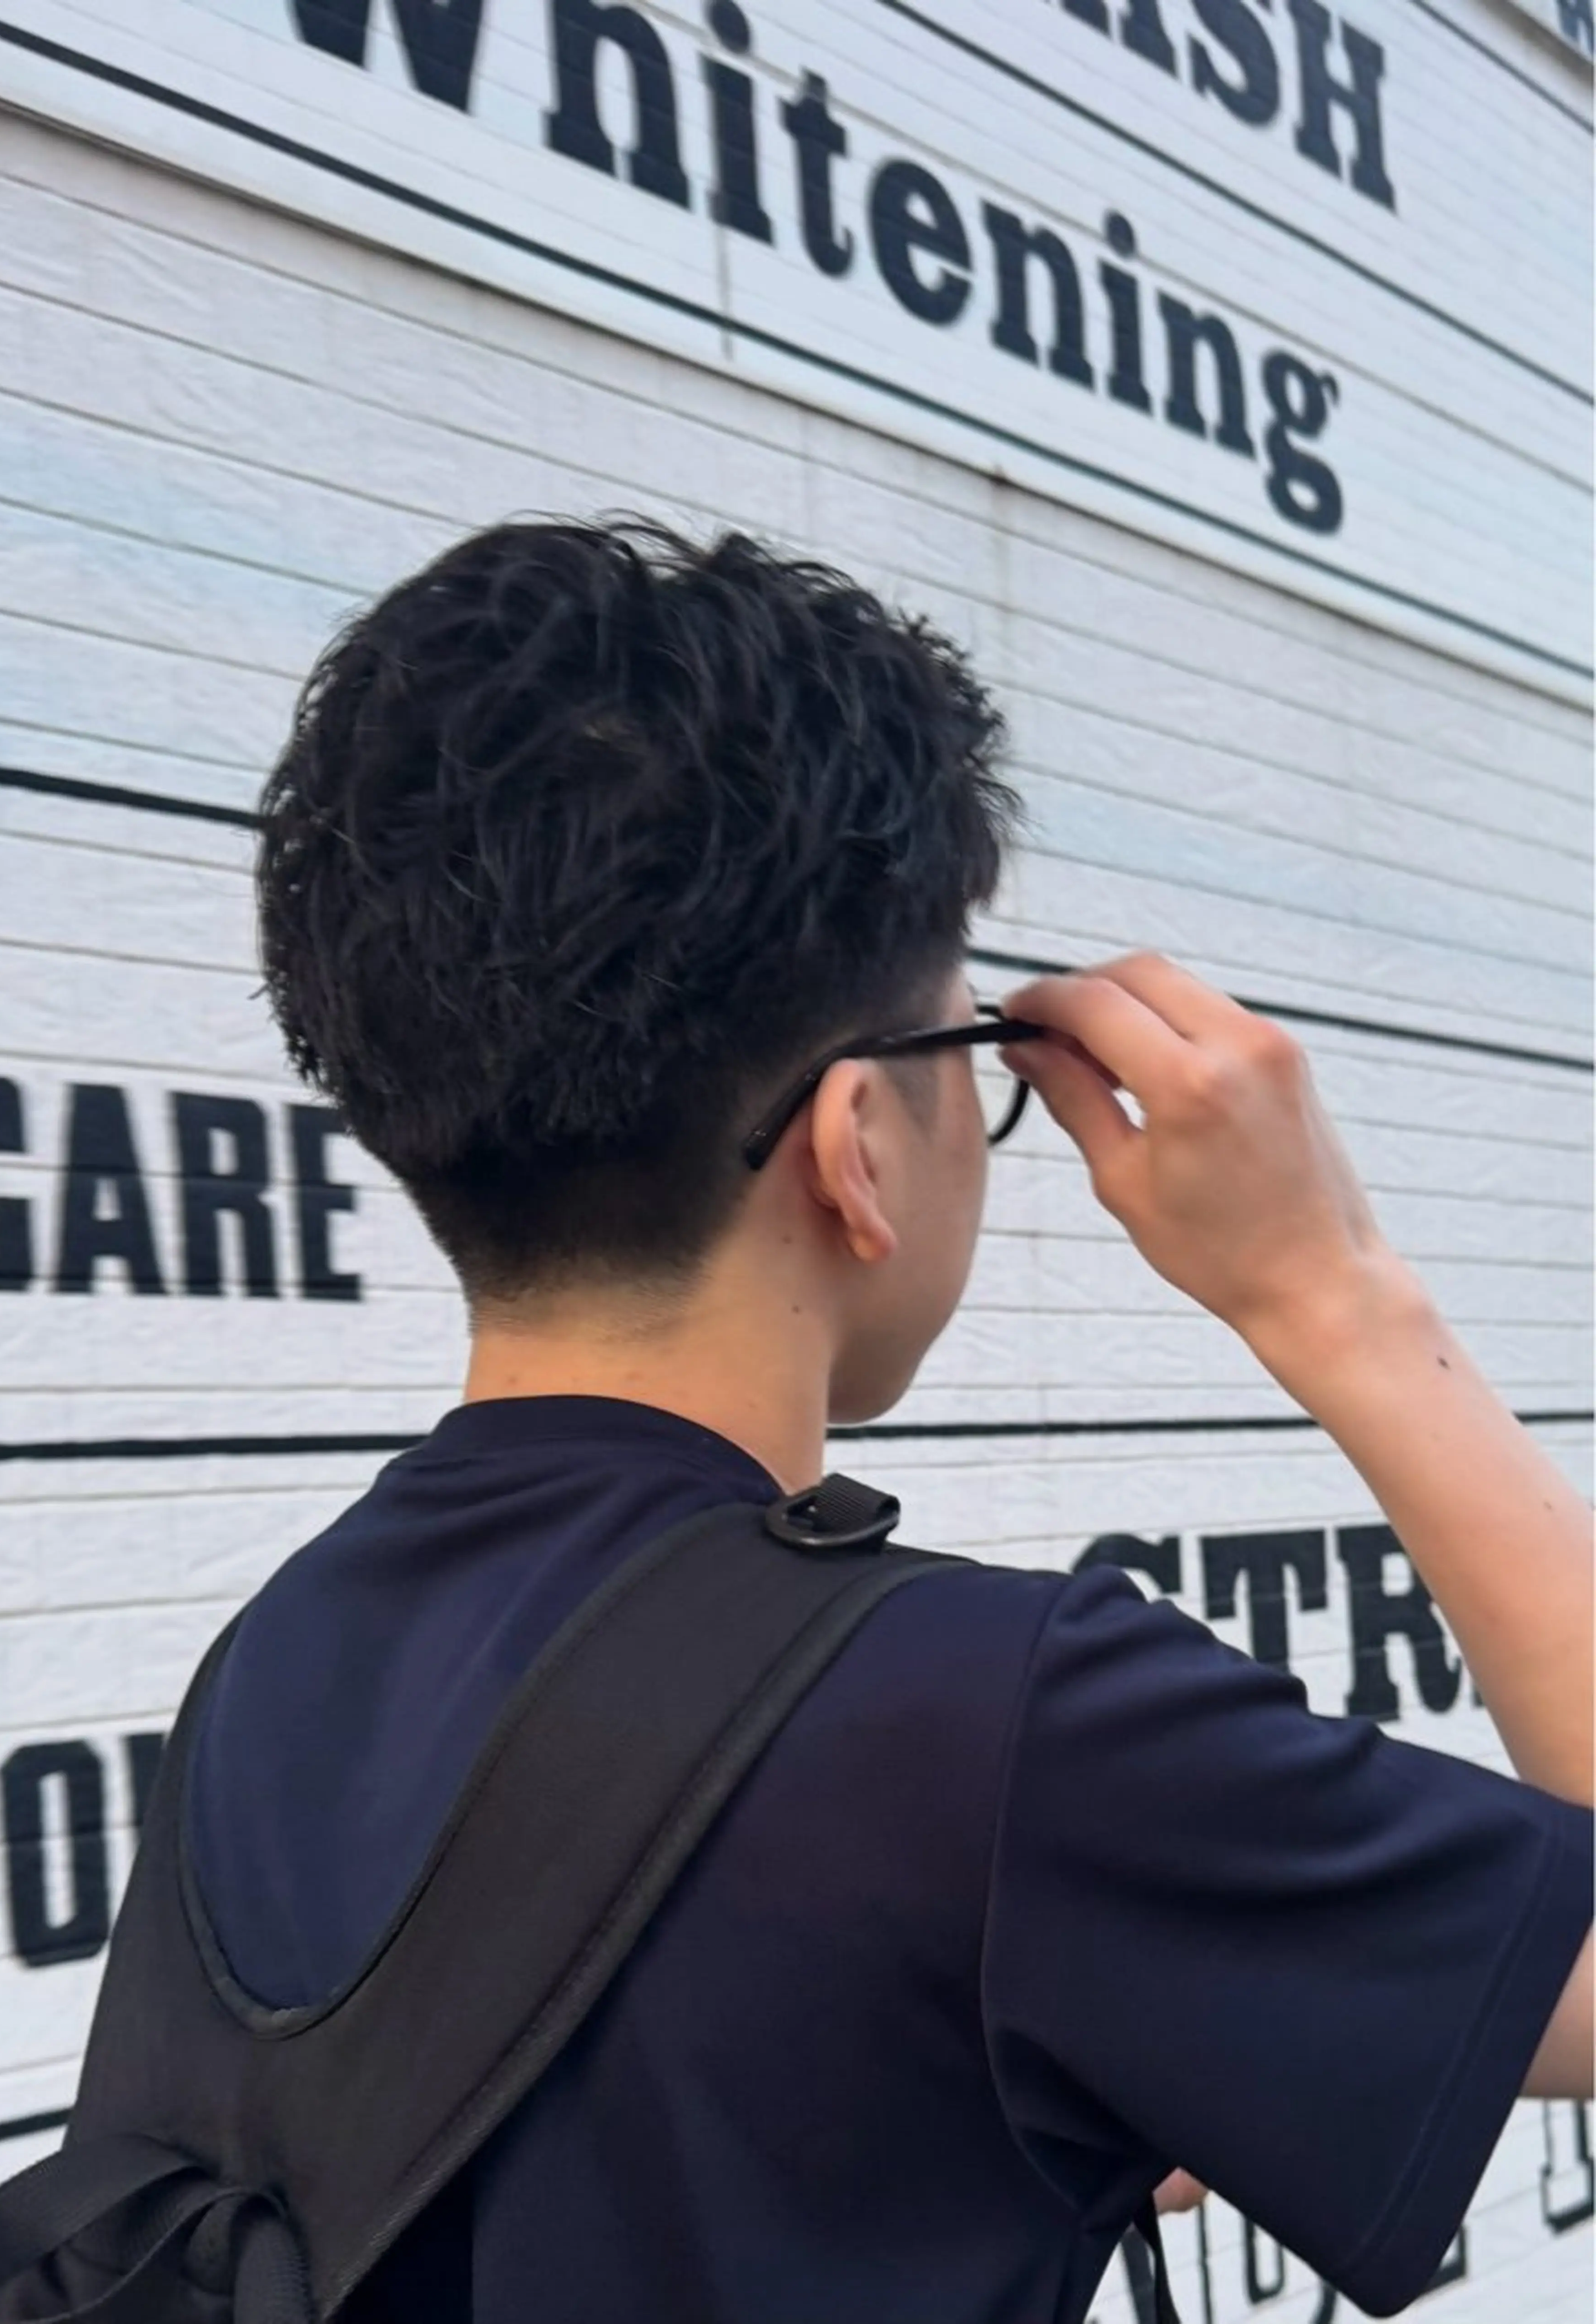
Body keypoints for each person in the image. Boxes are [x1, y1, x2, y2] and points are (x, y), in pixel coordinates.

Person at [190, 517, 1593, 2320]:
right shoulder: (1001, 1731)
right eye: (967, 1058)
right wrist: (1337, 1293)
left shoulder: (277, 1663)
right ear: (859, 1145)